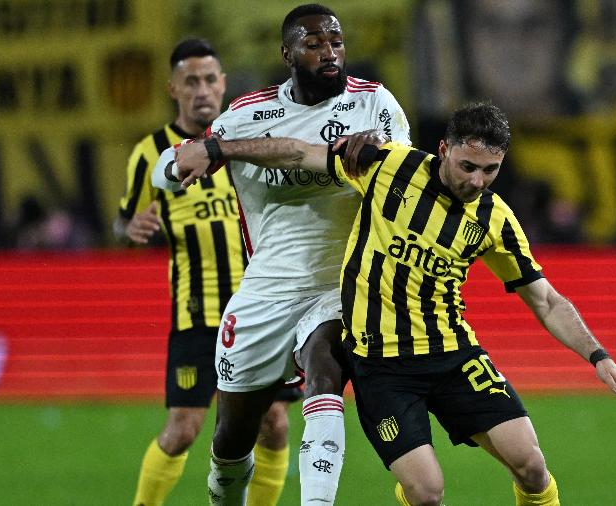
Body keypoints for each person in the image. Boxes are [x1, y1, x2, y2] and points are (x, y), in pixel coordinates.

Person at [166, 102, 616, 505]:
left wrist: (597, 355)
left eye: (491, 170)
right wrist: (216, 148)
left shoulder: (495, 219)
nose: (478, 181)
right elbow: (295, 152)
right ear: (443, 150)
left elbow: (545, 300)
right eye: (467, 166)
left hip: (453, 355)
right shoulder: (387, 167)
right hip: (382, 367)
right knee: (426, 493)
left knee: (531, 466)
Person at [151, 5, 411, 505]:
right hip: (267, 290)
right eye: (313, 43)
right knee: (232, 436)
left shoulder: (374, 104)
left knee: (325, 370)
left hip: (343, 282)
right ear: (287, 52)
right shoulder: (249, 114)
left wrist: (378, 149)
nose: (329, 52)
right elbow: (166, 169)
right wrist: (186, 157)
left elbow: (401, 174)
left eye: (336, 41)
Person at [116, 38, 301, 506]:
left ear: (222, 84)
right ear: (173, 89)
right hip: (196, 315)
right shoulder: (152, 153)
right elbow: (123, 219)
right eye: (190, 81)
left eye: (209, 79)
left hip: (262, 312)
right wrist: (129, 226)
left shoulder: (247, 141)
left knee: (275, 424)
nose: (202, 89)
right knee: (183, 430)